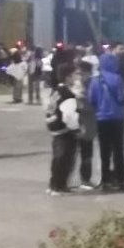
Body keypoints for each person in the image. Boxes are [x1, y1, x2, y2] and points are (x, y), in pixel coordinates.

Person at [88, 53, 124, 191]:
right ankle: (121, 179)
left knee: (104, 151)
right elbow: (122, 97)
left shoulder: (95, 80)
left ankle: (105, 180)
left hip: (102, 119)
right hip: (118, 119)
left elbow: (91, 99)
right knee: (118, 150)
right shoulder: (118, 79)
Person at [45, 63, 80, 195]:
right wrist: (76, 129)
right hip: (64, 130)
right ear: (68, 77)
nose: (76, 78)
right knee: (65, 158)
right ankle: (58, 185)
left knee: (57, 158)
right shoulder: (67, 94)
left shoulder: (56, 91)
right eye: (74, 75)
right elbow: (69, 116)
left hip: (54, 127)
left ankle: (55, 184)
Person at [74, 60, 97, 191]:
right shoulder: (75, 86)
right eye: (78, 73)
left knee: (87, 154)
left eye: (82, 73)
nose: (79, 76)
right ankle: (61, 181)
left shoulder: (92, 85)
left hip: (87, 126)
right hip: (75, 125)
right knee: (70, 154)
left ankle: (85, 179)